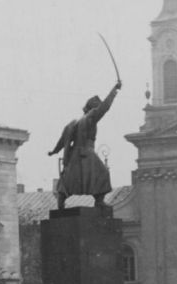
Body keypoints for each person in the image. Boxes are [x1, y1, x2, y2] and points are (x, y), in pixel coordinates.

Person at [48, 81, 122, 210]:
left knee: (71, 178)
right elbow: (105, 107)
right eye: (97, 108)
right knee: (102, 173)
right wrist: (114, 90)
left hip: (74, 155)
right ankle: (99, 201)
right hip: (87, 152)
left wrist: (54, 151)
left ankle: (61, 199)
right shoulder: (91, 117)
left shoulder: (75, 122)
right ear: (93, 108)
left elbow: (63, 139)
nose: (98, 110)